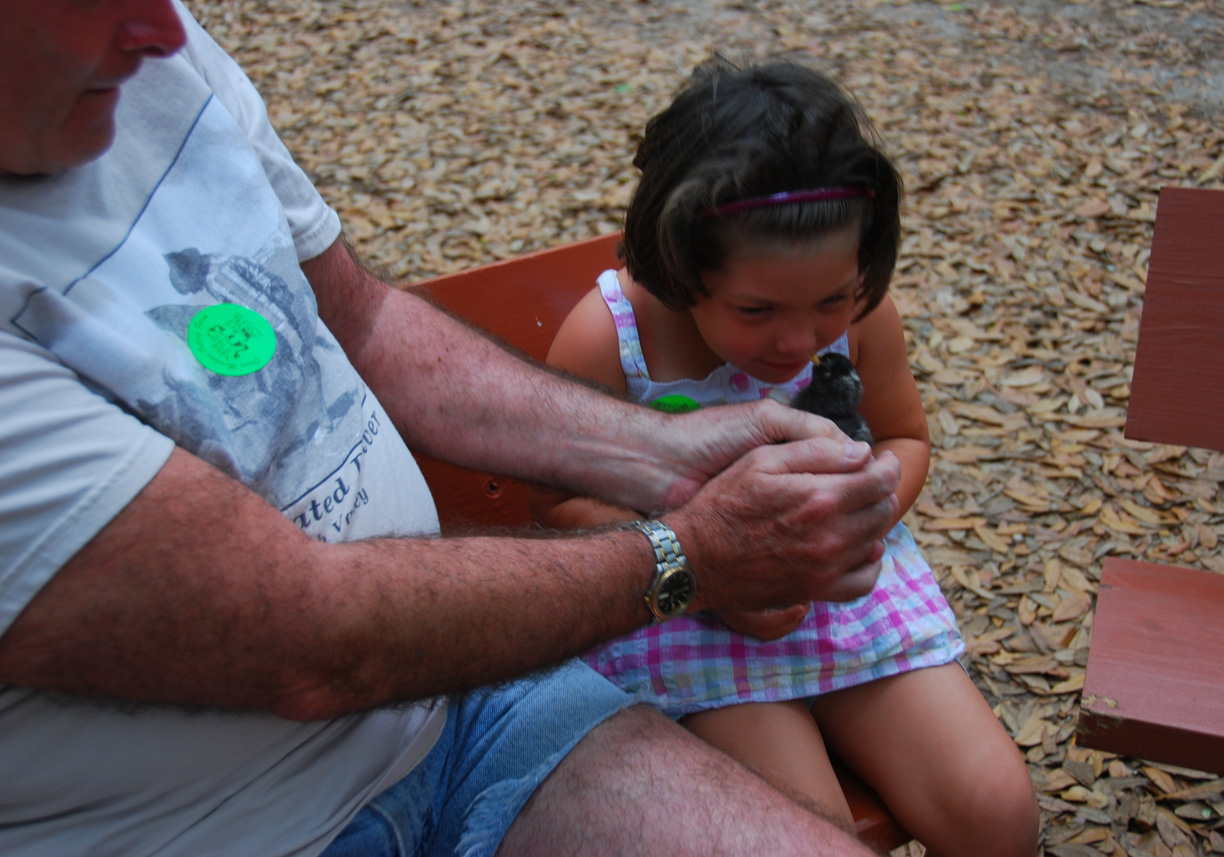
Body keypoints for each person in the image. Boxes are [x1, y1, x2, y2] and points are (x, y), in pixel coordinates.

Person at [0, 3, 909, 857]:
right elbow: (314, 643)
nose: (166, 27)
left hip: (467, 700)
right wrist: (693, 555)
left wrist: (663, 452)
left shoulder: (152, 60)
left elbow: (362, 323)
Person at [533, 57, 1041, 857]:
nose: (801, 341)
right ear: (682, 266)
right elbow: (559, 505)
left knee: (999, 813)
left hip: (846, 596)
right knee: (806, 840)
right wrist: (703, 562)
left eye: (832, 302)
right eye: (757, 310)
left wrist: (862, 513)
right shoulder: (613, 339)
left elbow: (905, 437)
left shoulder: (865, 317)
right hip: (694, 615)